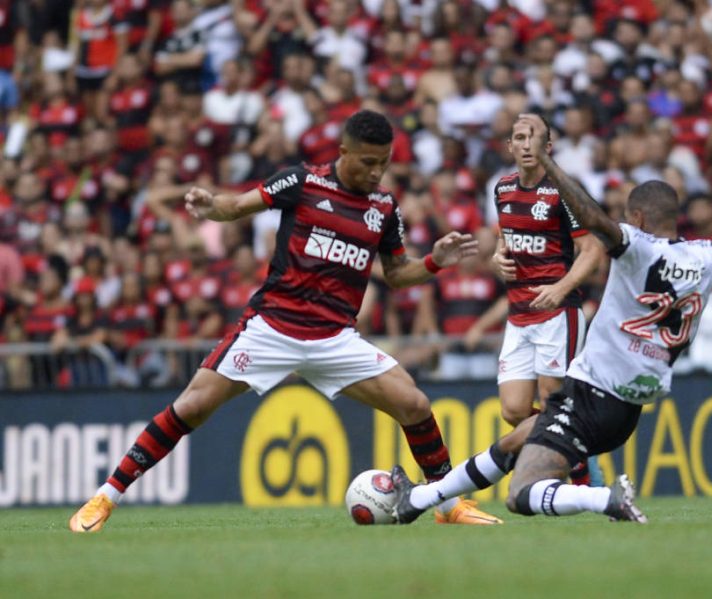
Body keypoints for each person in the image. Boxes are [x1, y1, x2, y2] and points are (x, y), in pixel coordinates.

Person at [390, 113, 712, 524]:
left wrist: (549, 164)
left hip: (591, 394)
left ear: (637, 219)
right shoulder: (711, 257)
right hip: (627, 410)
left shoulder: (635, 247)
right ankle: (421, 500)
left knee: (522, 494)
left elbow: (593, 221)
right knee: (518, 436)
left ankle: (605, 499)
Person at [68, 110, 501, 532]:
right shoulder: (303, 182)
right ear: (343, 152)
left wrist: (433, 261)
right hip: (273, 327)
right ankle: (106, 496)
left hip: (334, 338)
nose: (376, 173)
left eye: (383, 164)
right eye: (368, 162)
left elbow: (398, 274)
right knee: (192, 406)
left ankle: (448, 504)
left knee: (415, 405)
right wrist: (211, 206)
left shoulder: (384, 207)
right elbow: (237, 205)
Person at [488, 113, 603, 484]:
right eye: (520, 138)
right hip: (518, 313)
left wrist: (561, 288)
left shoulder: (563, 190)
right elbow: (506, 240)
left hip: (557, 313)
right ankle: (577, 447)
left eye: (534, 138)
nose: (526, 145)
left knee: (553, 400)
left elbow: (592, 250)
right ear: (509, 146)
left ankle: (584, 484)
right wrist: (497, 258)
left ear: (548, 147)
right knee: (513, 409)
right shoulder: (503, 189)